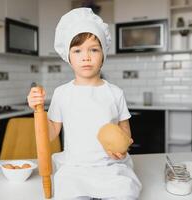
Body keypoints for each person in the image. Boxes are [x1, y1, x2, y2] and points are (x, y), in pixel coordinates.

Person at [27, 8, 142, 200]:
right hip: (75, 169)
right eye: (77, 50)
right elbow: (51, 133)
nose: (86, 56)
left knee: (126, 192)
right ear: (68, 57)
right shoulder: (62, 93)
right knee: (68, 194)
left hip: (110, 168)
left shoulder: (114, 93)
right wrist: (37, 110)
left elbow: (125, 131)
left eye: (94, 49)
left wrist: (121, 149)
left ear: (103, 55)